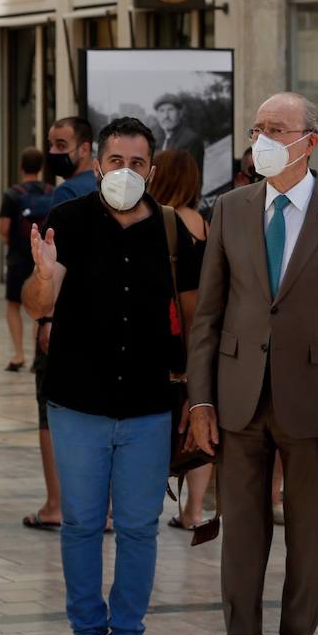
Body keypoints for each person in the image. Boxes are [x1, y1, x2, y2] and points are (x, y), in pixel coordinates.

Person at [186, 93, 318, 635]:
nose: (260, 139)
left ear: (310, 143)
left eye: (276, 129)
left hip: (315, 395)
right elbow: (208, 313)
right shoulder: (231, 208)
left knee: (309, 533)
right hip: (237, 396)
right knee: (241, 532)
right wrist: (200, 401)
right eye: (256, 128)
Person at [23, 117, 200, 635]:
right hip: (78, 400)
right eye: (116, 161)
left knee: (138, 527)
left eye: (138, 163)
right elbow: (34, 303)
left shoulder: (173, 233)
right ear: (97, 164)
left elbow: (196, 319)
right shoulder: (67, 222)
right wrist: (44, 280)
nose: (126, 172)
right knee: (79, 524)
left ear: (153, 168)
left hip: (149, 404)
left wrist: (197, 396)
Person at [24, 118, 95, 532]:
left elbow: (52, 263)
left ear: (85, 149)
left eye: (62, 143)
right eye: (49, 143)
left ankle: (56, 503)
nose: (54, 151)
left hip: (64, 319)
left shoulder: (67, 193)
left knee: (51, 413)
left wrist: (47, 318)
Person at [146, 149, 211, 531]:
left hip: (173, 333)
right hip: (201, 333)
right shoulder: (203, 222)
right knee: (196, 431)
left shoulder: (162, 223)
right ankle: (194, 510)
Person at [0, 147, 54, 372]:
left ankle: (18, 354)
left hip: (18, 257)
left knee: (14, 304)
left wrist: (10, 242)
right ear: (40, 168)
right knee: (39, 306)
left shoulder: (12, 194)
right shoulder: (53, 191)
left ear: (22, 167)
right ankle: (36, 355)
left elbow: (4, 228)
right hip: (43, 257)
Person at [49, 116, 97, 206]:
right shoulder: (105, 184)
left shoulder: (66, 192)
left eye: (61, 146)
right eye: (51, 145)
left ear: (84, 149)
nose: (52, 151)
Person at [155, 94, 203, 164]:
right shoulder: (159, 140)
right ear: (157, 116)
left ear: (180, 113)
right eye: (161, 111)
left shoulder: (189, 139)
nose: (166, 116)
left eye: (170, 110)